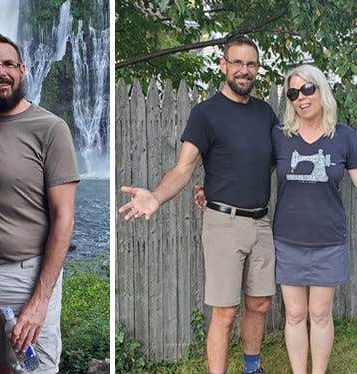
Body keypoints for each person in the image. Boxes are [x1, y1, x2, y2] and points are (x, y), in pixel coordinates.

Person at [196, 64, 357, 373]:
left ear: (321, 90)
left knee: (320, 314)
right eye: (293, 92)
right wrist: (210, 189)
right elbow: (248, 166)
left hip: (328, 241)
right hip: (287, 240)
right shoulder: (279, 136)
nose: (301, 97)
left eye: (307, 89)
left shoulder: (344, 136)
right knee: (296, 315)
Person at [119, 35, 276, 374]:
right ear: (224, 65)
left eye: (251, 64)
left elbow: (284, 158)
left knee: (260, 304)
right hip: (224, 224)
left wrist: (343, 158)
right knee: (225, 312)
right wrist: (156, 196)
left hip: (262, 224)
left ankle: (252, 368)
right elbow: (184, 168)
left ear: (257, 69)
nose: (244, 70)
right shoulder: (206, 114)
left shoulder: (266, 113)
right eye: (237, 62)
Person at [0, 32, 80, 373]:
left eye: (9, 64)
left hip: (28, 276)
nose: (1, 72)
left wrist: (40, 302)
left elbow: (64, 218)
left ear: (22, 70)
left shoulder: (51, 129)